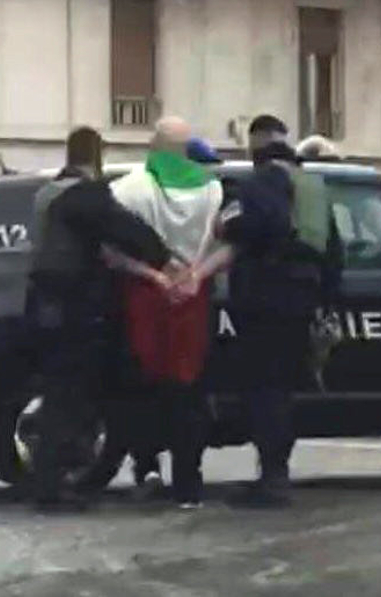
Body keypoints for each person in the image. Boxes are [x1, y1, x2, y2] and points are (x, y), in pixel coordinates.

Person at [185, 114, 342, 507]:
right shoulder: (314, 187)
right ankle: (277, 472)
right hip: (303, 300)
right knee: (284, 390)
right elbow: (334, 252)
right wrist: (325, 299)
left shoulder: (258, 184)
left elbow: (240, 227)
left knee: (265, 391)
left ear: (255, 146)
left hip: (265, 301)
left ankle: (272, 479)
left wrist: (224, 223)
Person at [28, 126, 172, 506]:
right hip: (74, 308)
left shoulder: (47, 193)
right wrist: (161, 257)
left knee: (59, 393)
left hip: (44, 307)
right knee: (69, 397)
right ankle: (53, 485)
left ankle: (56, 477)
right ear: (96, 157)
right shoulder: (84, 196)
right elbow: (130, 232)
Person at [110, 116, 224, 508]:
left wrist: (154, 275)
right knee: (188, 390)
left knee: (143, 384)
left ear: (153, 146)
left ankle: (147, 467)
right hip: (193, 296)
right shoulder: (213, 190)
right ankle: (188, 483)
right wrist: (194, 276)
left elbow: (110, 252)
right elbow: (224, 244)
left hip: (144, 295)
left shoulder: (129, 189)